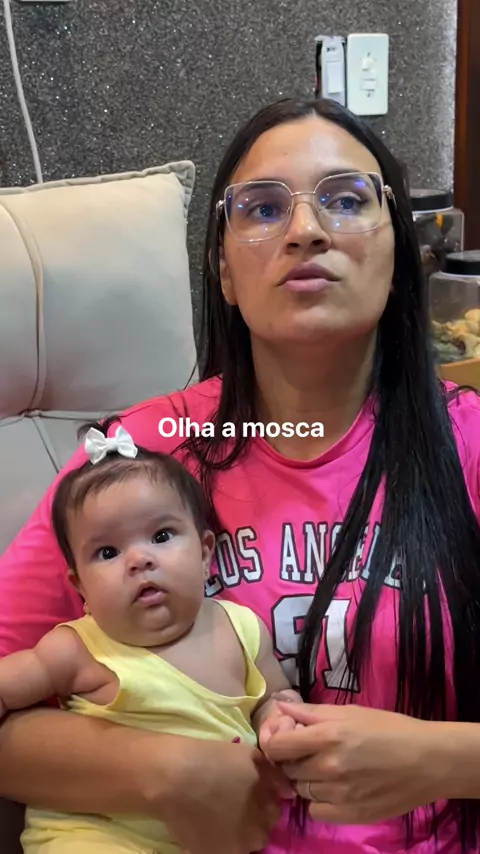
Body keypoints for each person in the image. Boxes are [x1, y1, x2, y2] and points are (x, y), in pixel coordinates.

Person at [1, 94, 480, 854]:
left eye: (347, 200)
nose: (306, 229)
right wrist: (157, 772)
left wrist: (447, 759)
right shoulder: (139, 456)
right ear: (224, 272)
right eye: (262, 209)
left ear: (398, 253)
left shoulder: (469, 442)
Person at [0, 418, 301, 853]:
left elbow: (273, 698)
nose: (139, 559)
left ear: (205, 553)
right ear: (80, 587)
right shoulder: (77, 648)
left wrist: (281, 720)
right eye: (108, 552)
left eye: (161, 536)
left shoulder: (243, 629)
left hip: (212, 836)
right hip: (98, 836)